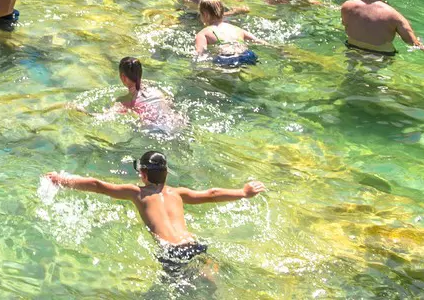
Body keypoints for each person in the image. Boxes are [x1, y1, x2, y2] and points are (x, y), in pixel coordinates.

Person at [45, 151, 264, 279]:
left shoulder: (137, 193)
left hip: (171, 252)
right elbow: (212, 194)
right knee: (208, 283)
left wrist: (60, 179)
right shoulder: (179, 193)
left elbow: (97, 185)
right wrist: (244, 192)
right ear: (167, 173)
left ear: (142, 173)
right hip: (195, 245)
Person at [194, 0, 262, 66]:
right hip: (248, 54)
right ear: (222, 11)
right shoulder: (237, 29)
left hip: (227, 58)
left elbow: (199, 54)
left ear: (205, 14)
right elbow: (259, 41)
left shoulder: (203, 33)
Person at [116, 55, 181, 128]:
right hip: (176, 122)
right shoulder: (155, 90)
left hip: (154, 127)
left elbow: (111, 115)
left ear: (123, 77)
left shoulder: (124, 101)